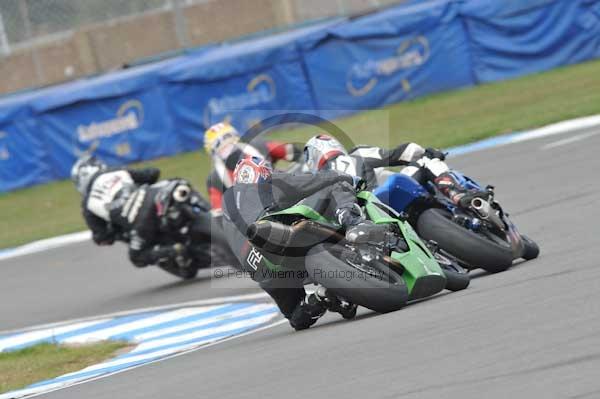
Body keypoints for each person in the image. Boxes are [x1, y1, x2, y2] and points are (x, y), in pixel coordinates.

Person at [222, 156, 371, 331]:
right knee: (335, 184)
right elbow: (308, 181)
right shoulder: (269, 182)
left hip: (260, 269)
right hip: (277, 234)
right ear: (262, 171)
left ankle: (319, 298)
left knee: (296, 316)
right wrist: (347, 178)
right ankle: (351, 220)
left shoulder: (227, 206)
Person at [71, 156, 204, 268]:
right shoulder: (115, 171)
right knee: (178, 182)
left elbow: (102, 236)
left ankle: (175, 250)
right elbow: (151, 174)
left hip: (141, 224)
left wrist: (111, 232)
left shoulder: (87, 205)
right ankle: (207, 208)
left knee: (137, 256)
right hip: (155, 197)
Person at [303, 134, 487, 207]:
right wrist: (428, 152)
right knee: (424, 161)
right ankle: (456, 193)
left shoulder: (313, 185)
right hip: (384, 199)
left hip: (362, 224)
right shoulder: (357, 154)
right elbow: (406, 152)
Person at [203, 122, 303, 214]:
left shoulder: (259, 146)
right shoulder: (215, 179)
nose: (228, 149)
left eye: (229, 142)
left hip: (286, 192)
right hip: (258, 216)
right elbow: (220, 213)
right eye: (221, 147)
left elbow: (293, 152)